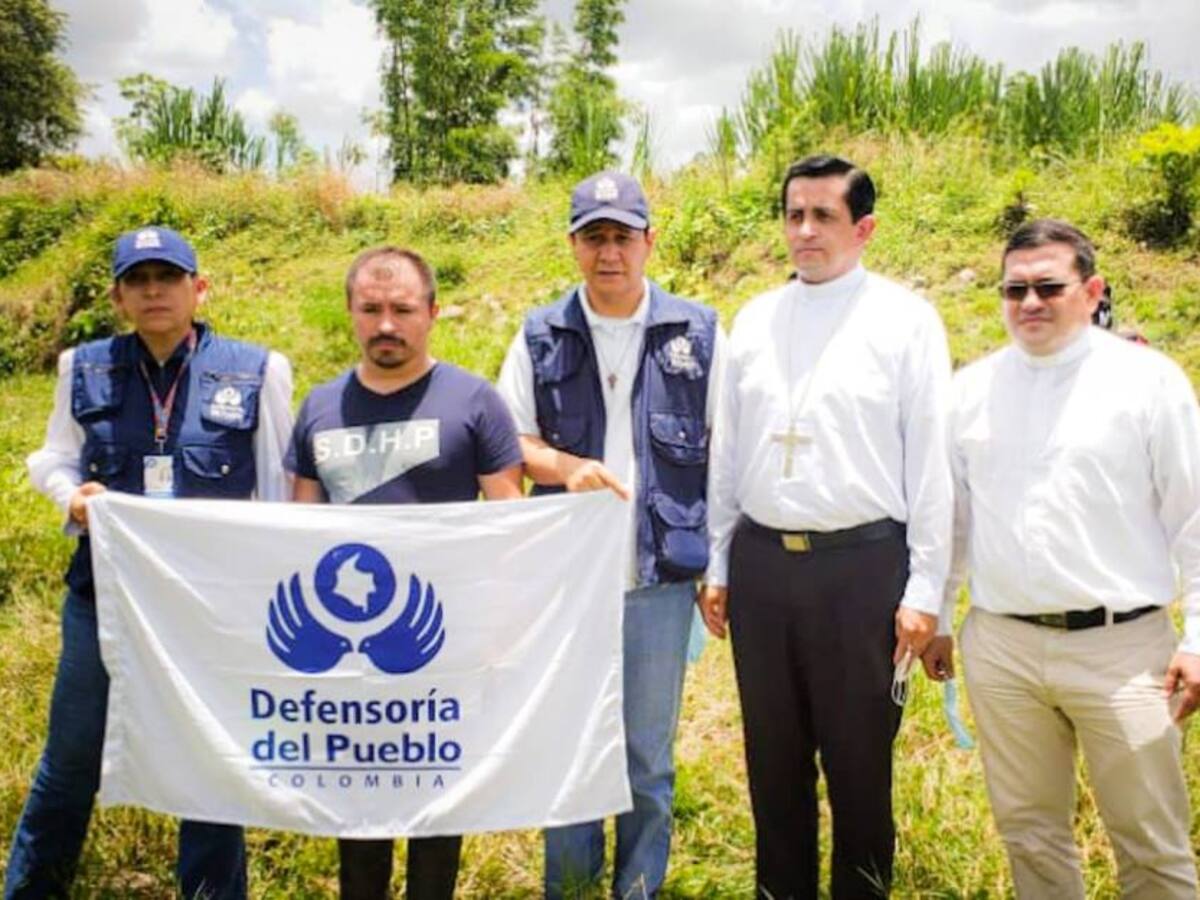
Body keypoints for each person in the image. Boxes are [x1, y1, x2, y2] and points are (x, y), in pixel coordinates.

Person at [8, 226, 294, 899]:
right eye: (138, 280)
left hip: (208, 610)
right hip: (101, 599)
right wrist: (70, 496)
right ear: (118, 297)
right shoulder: (83, 367)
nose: (154, 291)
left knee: (208, 762)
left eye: (168, 277)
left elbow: (277, 495)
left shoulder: (259, 370)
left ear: (200, 288)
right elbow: (53, 458)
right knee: (70, 760)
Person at [699, 154, 953, 899]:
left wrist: (927, 586)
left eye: (823, 216)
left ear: (864, 228)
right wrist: (719, 561)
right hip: (765, 566)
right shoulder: (754, 319)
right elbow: (727, 450)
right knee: (773, 761)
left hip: (863, 571)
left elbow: (932, 463)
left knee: (858, 764)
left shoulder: (906, 320)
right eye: (792, 214)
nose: (804, 231)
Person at [924, 218, 1200, 898]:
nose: (1030, 303)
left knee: (1151, 843)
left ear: (1092, 289)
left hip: (1124, 652)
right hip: (1003, 648)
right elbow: (952, 521)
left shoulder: (1148, 384)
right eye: (1014, 289)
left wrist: (1198, 635)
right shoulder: (971, 390)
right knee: (1030, 837)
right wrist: (934, 612)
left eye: (1049, 286)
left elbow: (1193, 517)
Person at [496, 171, 723, 899]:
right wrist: (565, 466)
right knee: (568, 741)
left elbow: (726, 452)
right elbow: (509, 443)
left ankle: (638, 887)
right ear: (573, 246)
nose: (609, 252)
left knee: (645, 754)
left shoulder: (700, 332)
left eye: (623, 236)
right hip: (568, 579)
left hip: (659, 578)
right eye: (594, 237)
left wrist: (717, 567)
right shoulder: (539, 335)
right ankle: (569, 885)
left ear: (649, 242)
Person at [286, 246, 523, 899]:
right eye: (371, 309)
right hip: (347, 650)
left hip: (443, 645)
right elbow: (297, 531)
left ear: (432, 313)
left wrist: (500, 633)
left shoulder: (476, 401)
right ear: (351, 313)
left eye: (402, 309)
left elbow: (511, 526)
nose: (386, 324)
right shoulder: (318, 406)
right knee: (357, 812)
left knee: (435, 809)